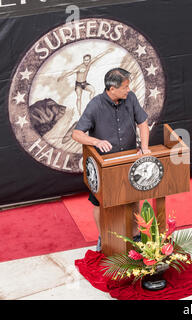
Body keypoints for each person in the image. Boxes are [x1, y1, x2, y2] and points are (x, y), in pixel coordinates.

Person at [72, 67, 150, 251]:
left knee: (133, 199)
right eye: (125, 87)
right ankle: (103, 237)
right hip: (105, 165)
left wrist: (145, 149)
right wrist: (96, 141)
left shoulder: (130, 98)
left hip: (130, 159)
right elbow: (76, 134)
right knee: (100, 202)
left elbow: (143, 123)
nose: (128, 90)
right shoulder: (95, 105)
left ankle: (136, 235)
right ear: (112, 88)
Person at [57, 48, 114, 117]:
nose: (86, 61)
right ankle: (79, 113)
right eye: (85, 60)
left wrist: (106, 51)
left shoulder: (89, 63)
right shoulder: (80, 67)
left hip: (84, 83)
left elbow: (97, 57)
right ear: (83, 60)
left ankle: (93, 105)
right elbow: (71, 72)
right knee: (79, 97)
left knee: (93, 90)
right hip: (78, 84)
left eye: (87, 60)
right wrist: (62, 77)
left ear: (89, 60)